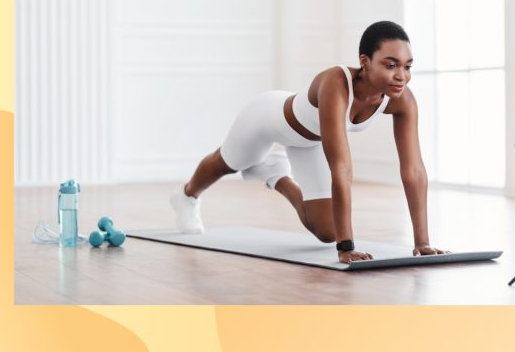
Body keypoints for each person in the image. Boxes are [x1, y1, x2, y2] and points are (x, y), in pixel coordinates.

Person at [169, 20, 449, 264]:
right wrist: (347, 247)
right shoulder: (335, 82)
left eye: (407, 66)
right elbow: (341, 166)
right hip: (266, 119)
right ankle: (186, 197)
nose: (401, 76)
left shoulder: (403, 100)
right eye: (390, 65)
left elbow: (413, 170)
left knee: (327, 231)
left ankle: (275, 174)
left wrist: (422, 242)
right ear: (365, 61)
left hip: (309, 142)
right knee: (227, 163)